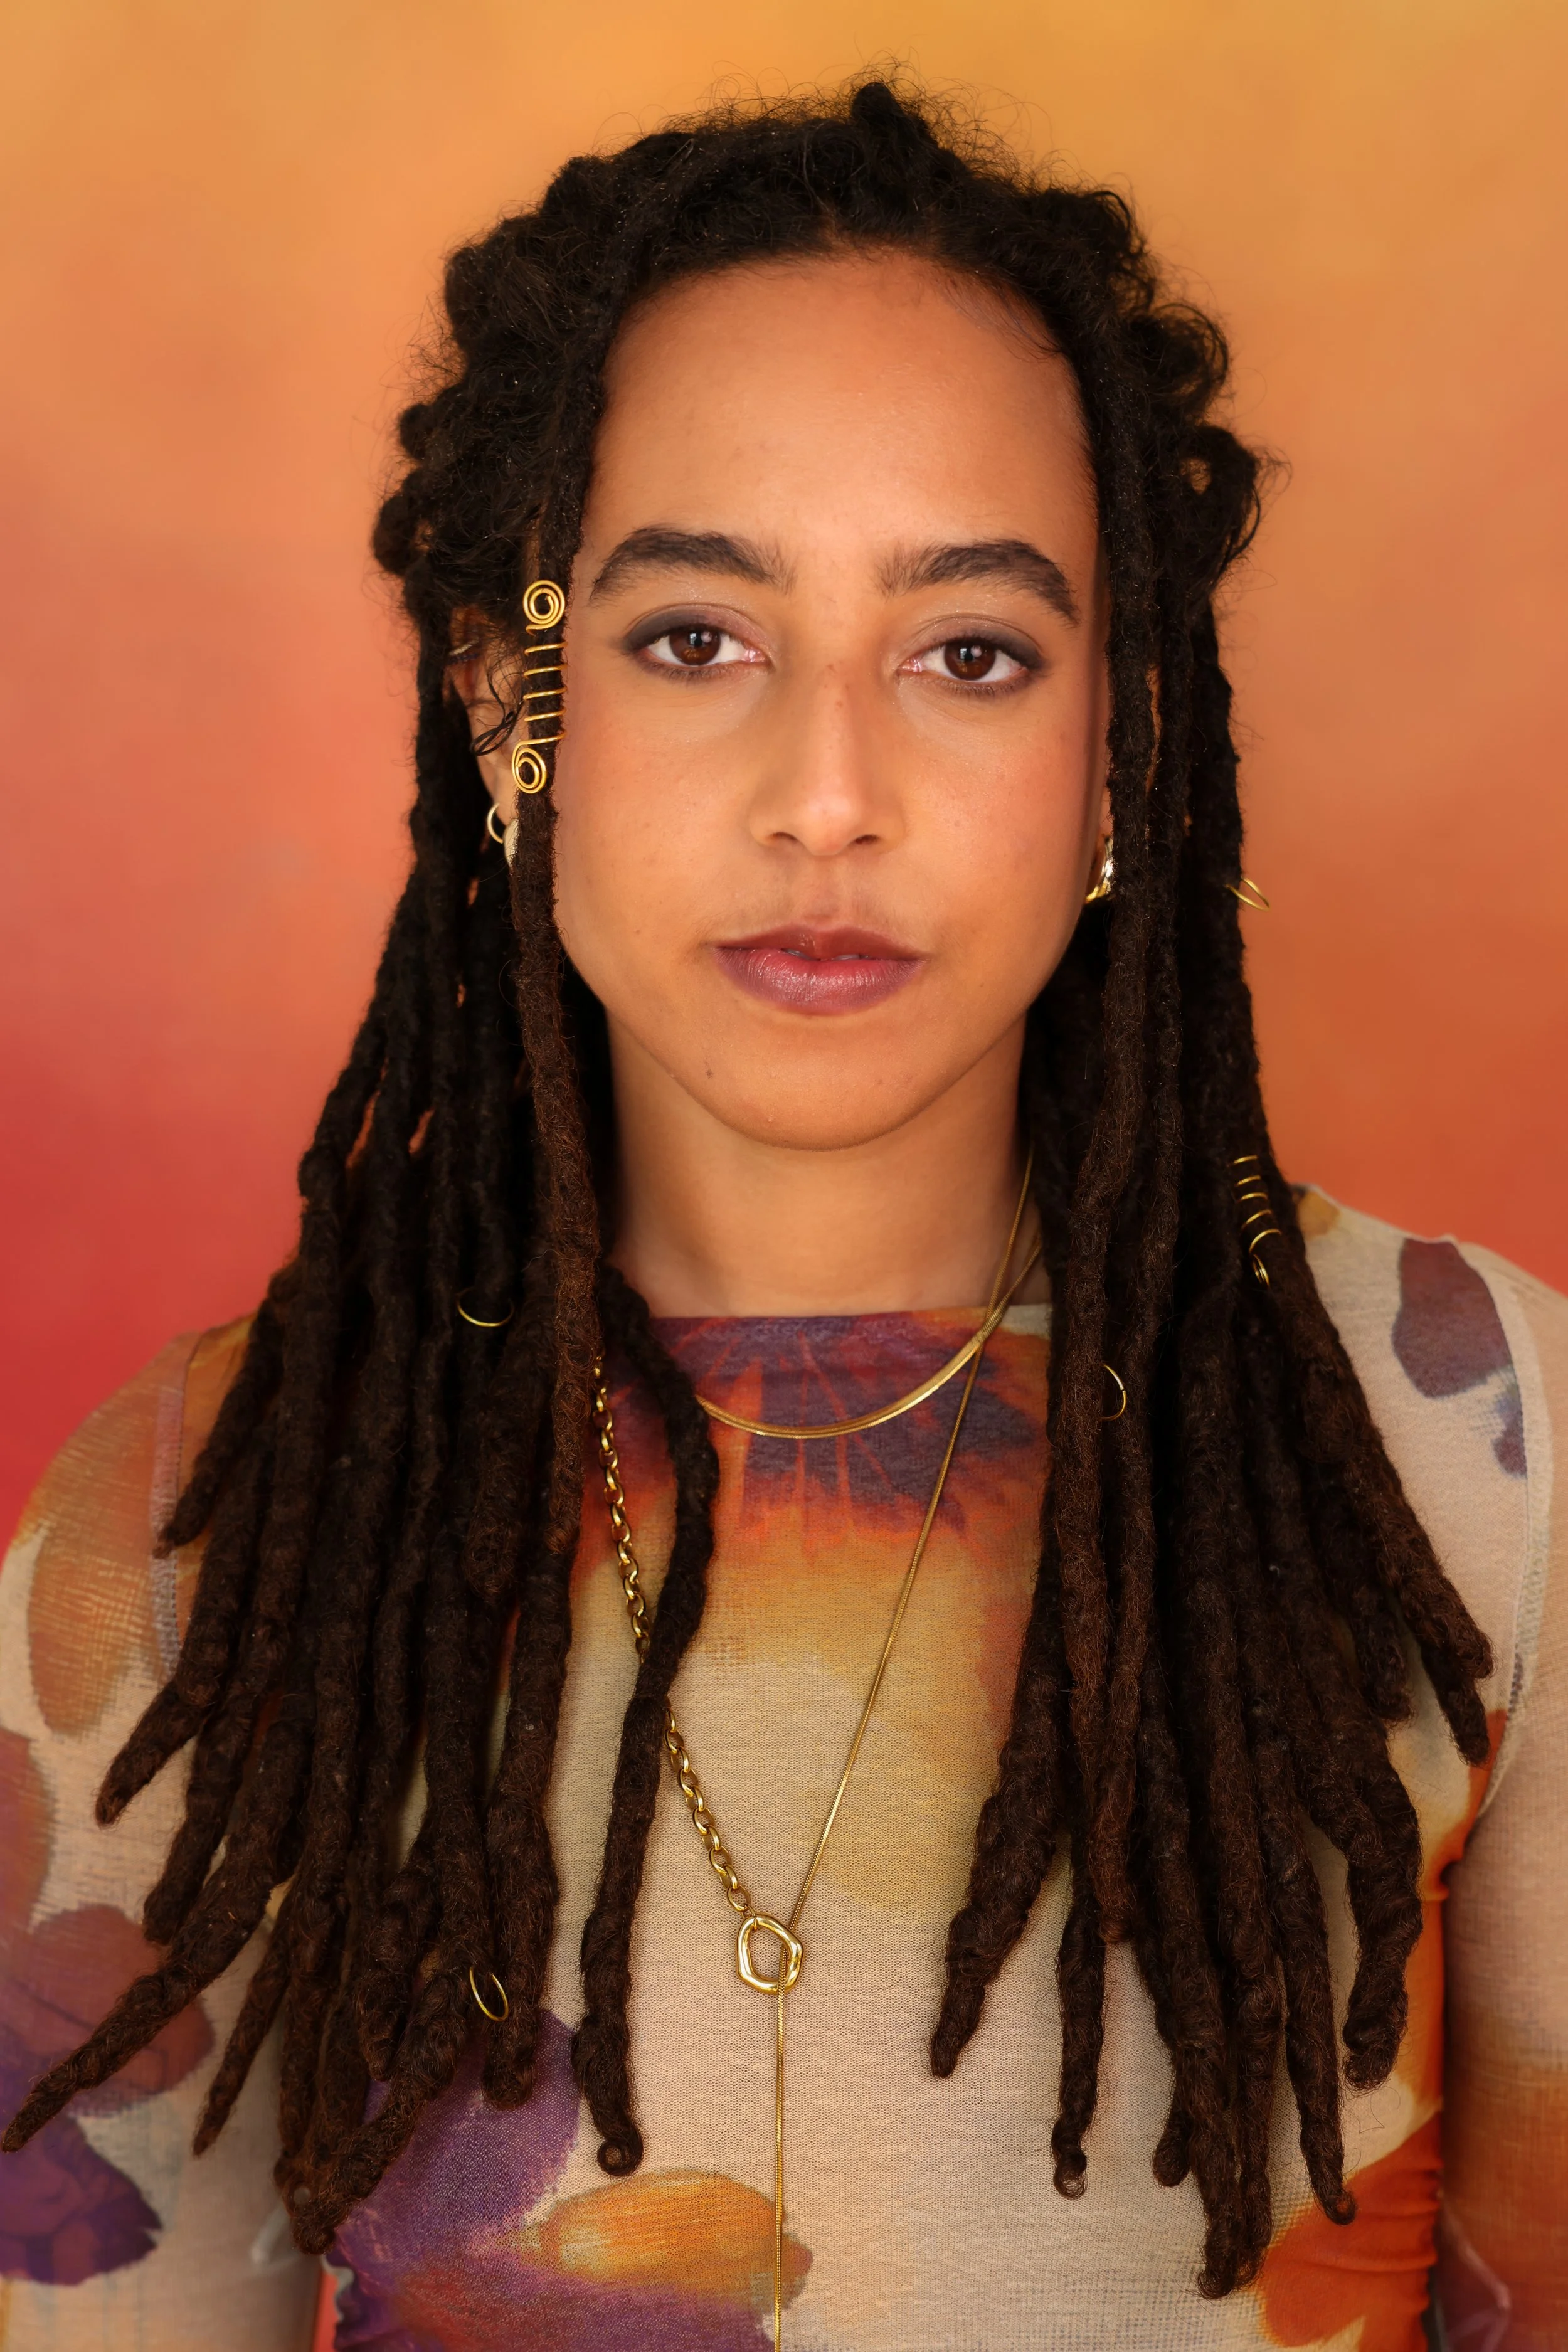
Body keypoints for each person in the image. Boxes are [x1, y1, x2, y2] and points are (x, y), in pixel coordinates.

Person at [1, 78, 1563, 2352]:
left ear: (1121, 744)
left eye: (970, 652)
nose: (828, 796)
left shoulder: (1480, 1453)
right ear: (505, 709)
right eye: (692, 637)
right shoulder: (202, 1529)